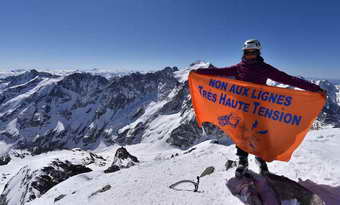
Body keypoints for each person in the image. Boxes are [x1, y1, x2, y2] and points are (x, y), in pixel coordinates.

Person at [192, 39, 325, 177]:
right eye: (247, 53)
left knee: (260, 134)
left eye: (253, 53)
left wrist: (314, 88)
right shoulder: (239, 67)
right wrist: (200, 72)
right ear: (243, 53)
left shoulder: (264, 68)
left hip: (259, 110)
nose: (250, 55)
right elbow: (219, 72)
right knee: (241, 134)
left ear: (258, 53)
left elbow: (288, 79)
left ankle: (261, 160)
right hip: (241, 108)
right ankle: (242, 160)